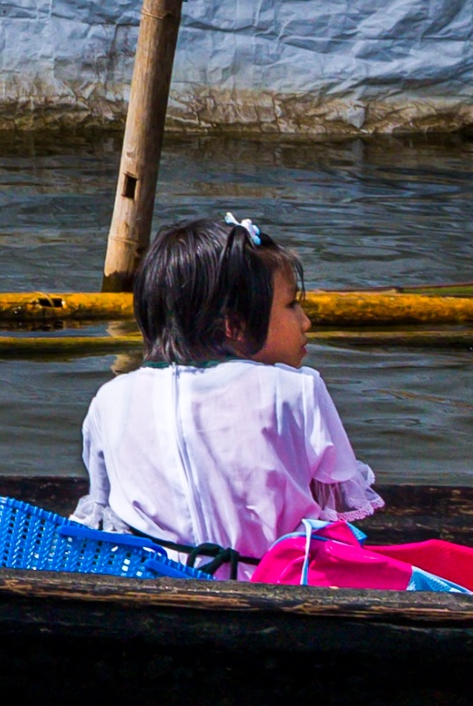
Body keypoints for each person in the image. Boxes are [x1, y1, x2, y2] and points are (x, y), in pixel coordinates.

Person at [76, 213, 378, 564]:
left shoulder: (110, 399)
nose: (305, 321)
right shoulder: (297, 390)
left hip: (157, 587)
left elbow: (104, 514)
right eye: (292, 304)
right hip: (271, 591)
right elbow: (329, 515)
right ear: (234, 325)